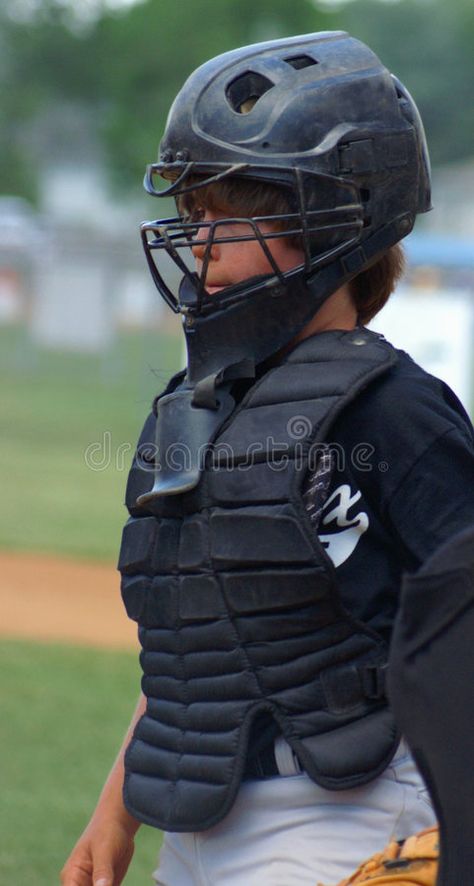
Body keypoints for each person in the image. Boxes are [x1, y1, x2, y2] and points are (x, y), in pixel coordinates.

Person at [61, 31, 474, 886]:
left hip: (347, 809)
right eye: (194, 211)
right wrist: (116, 815)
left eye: (230, 212)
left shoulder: (394, 410)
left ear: (337, 217)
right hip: (199, 814)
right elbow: (202, 638)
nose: (198, 240)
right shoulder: (195, 405)